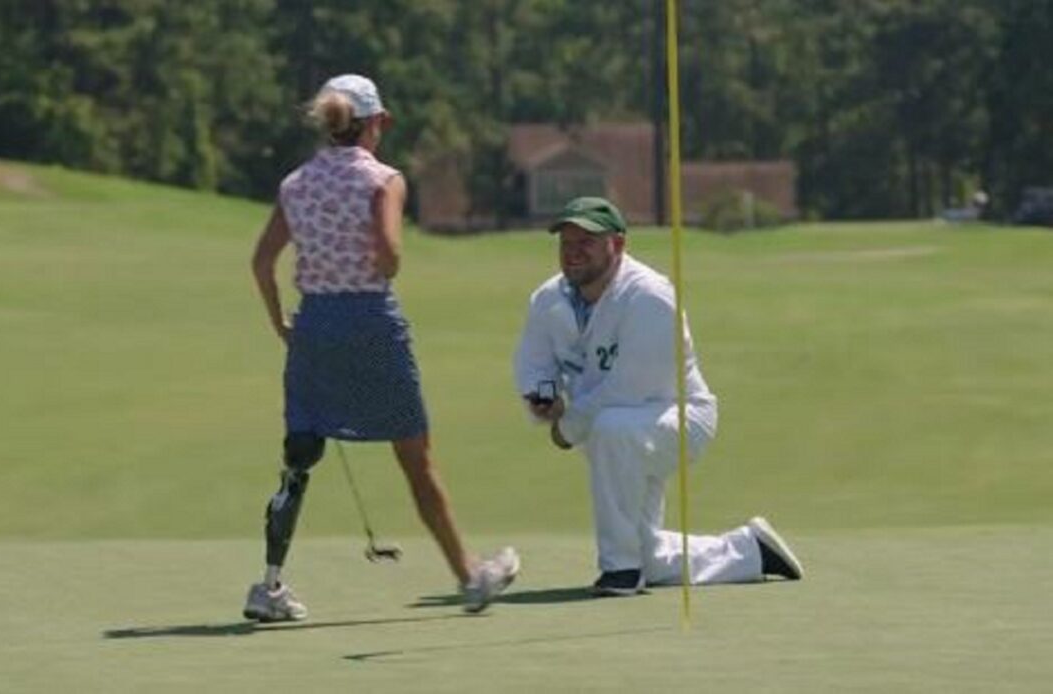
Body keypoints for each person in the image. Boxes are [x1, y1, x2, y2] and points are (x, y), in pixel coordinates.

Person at [244, 74, 519, 621]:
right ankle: (469, 577)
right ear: (375, 123)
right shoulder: (384, 180)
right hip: (370, 321)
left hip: (314, 327)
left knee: (298, 460)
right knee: (415, 459)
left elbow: (261, 263)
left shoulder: (295, 184)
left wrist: (283, 325)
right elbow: (390, 257)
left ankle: (269, 587)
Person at [513, 196, 804, 596]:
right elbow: (534, 363)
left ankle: (619, 570)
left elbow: (626, 390)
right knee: (649, 553)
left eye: (587, 241)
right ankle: (750, 550)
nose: (573, 252)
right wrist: (542, 399)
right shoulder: (547, 299)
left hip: (678, 416)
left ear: (617, 245)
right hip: (610, 429)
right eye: (566, 242)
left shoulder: (649, 297)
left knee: (614, 427)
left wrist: (567, 428)